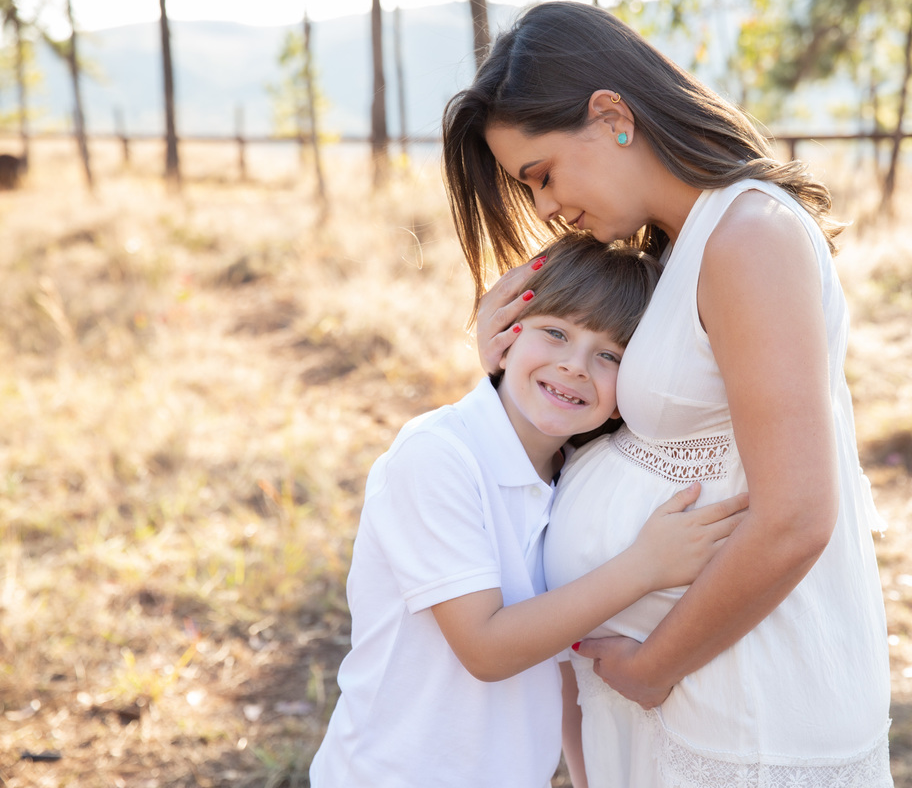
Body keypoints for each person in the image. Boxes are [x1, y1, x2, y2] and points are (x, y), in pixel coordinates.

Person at [442, 0, 893, 788]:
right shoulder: (685, 244)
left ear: (612, 116)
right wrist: (502, 373)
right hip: (681, 690)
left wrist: (654, 666)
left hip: (737, 700)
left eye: (542, 174)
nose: (545, 207)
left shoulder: (748, 238)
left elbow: (794, 517)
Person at [308, 231, 748, 788]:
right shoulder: (438, 456)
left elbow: (560, 663)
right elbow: (487, 649)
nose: (575, 366)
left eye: (610, 354)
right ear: (508, 333)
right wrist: (644, 567)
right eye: (555, 332)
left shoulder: (577, 480)